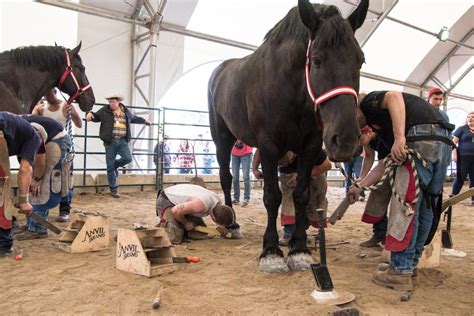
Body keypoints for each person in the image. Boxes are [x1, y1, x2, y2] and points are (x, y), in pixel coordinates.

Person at [348, 91, 453, 291]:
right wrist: (360, 185)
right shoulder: (386, 127)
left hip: (419, 136)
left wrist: (399, 138)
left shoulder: (368, 103)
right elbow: (384, 163)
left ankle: (400, 270)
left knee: (407, 206)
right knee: (426, 205)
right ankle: (410, 265)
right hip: (442, 141)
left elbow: (394, 96)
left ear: (355, 106)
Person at [252, 149, 332, 246]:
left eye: (286, 162)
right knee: (288, 202)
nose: (285, 164)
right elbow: (260, 150)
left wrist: (302, 175)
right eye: (280, 163)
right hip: (288, 178)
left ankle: (320, 233)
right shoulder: (274, 144)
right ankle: (289, 233)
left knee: (316, 202)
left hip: (314, 174)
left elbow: (327, 165)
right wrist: (255, 169)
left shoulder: (308, 146)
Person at [32, 88, 83, 222]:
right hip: (47, 146)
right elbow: (32, 120)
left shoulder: (65, 107)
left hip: (63, 144)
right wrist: (35, 109)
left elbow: (79, 124)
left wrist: (74, 114)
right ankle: (43, 209)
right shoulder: (42, 109)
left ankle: (64, 208)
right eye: (45, 95)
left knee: (64, 176)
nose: (47, 97)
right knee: (44, 176)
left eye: (49, 94)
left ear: (55, 92)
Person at [86, 94, 151, 198]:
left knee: (128, 158)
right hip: (110, 141)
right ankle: (114, 189)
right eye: (110, 101)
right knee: (110, 167)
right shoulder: (104, 110)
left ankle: (115, 165)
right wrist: (89, 114)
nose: (111, 103)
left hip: (122, 141)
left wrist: (144, 121)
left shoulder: (125, 111)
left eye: (113, 101)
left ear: (118, 102)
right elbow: (96, 116)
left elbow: (133, 118)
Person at [15, 115, 66, 240]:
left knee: (42, 183)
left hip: (57, 139)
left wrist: (37, 179)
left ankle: (38, 228)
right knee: (30, 180)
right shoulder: (13, 130)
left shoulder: (29, 132)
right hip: (46, 137)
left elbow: (40, 156)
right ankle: (31, 225)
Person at [0, 112, 42, 254]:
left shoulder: (20, 129)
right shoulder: (34, 137)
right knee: (3, 187)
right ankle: (3, 244)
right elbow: (25, 169)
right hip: (1, 127)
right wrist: (24, 200)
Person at [156, 183, 236, 244]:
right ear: (213, 218)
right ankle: (167, 224)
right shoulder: (200, 205)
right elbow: (175, 211)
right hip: (167, 199)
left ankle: (183, 228)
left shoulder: (218, 202)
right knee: (173, 238)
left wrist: (221, 227)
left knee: (199, 233)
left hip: (185, 204)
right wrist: (186, 223)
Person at [357, 126, 388, 248]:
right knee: (377, 197)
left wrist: (362, 185)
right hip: (384, 165)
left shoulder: (384, 135)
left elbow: (382, 165)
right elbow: (369, 155)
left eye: (360, 137)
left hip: (396, 164)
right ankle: (380, 234)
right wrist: (361, 177)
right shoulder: (367, 140)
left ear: (369, 132)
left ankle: (391, 237)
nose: (358, 141)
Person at [451, 111, 474, 205]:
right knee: (461, 177)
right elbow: (453, 142)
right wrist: (454, 153)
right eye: (469, 117)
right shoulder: (462, 129)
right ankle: (453, 196)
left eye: (473, 117)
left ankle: (473, 200)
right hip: (463, 157)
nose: (470, 118)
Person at [231, 140, 253, 207]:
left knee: (246, 176)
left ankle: (246, 198)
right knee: (235, 177)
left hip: (246, 152)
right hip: (234, 152)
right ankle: (236, 198)